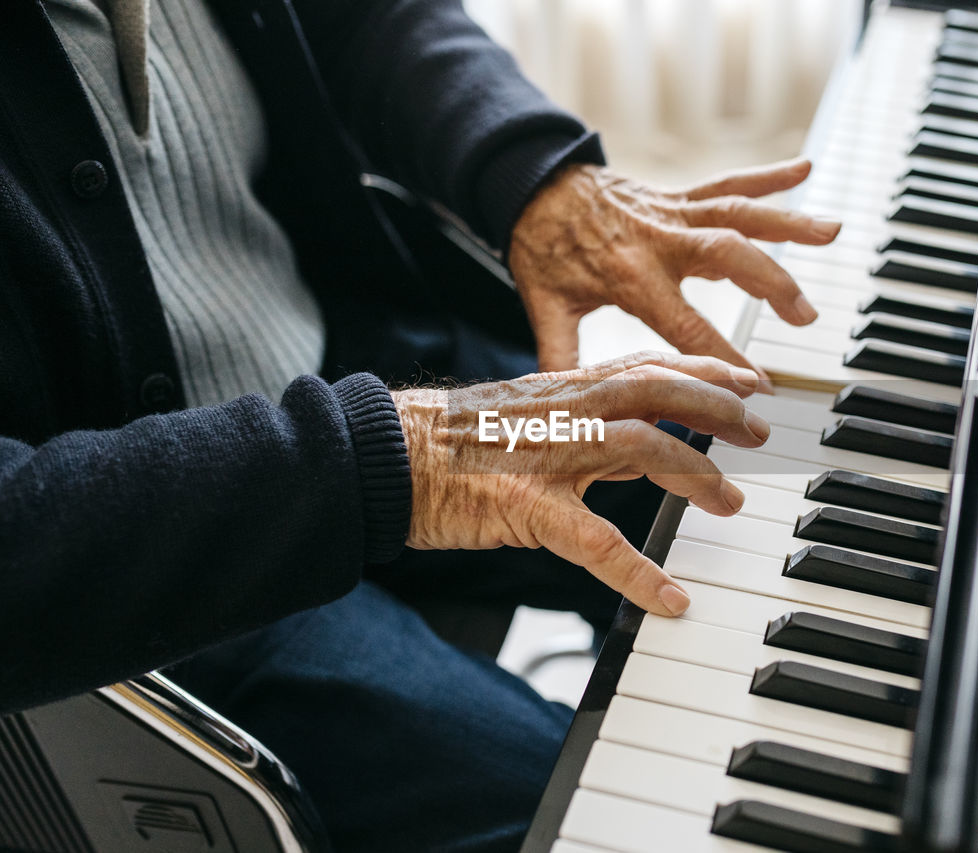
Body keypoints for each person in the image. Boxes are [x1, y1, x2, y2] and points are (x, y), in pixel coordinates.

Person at [0, 0, 840, 849]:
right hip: (171, 566)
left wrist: (537, 175)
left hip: (365, 384)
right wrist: (408, 462)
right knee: (597, 810)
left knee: (769, 471)